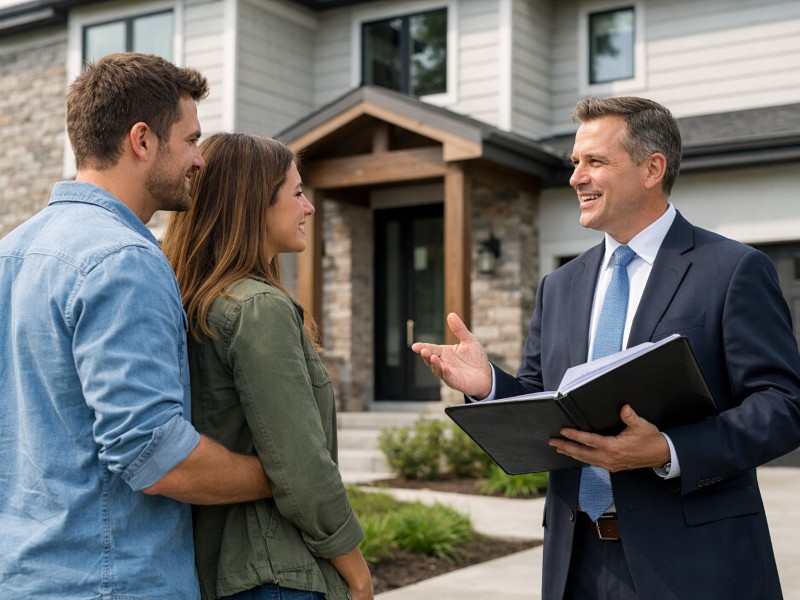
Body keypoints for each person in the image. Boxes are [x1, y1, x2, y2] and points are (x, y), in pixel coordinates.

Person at [412, 96, 800, 600]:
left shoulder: (731, 269)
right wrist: (489, 386)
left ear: (651, 169)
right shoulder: (560, 285)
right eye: (575, 163)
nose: (576, 177)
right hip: (577, 562)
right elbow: (542, 399)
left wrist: (667, 449)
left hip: (694, 564)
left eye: (595, 161)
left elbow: (783, 406)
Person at [0, 53, 272, 598]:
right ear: (142, 140)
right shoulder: (124, 257)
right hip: (111, 579)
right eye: (191, 140)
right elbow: (153, 455)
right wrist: (280, 476)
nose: (201, 160)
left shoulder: (12, 252)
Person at [161, 132, 373, 600]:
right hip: (278, 574)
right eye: (297, 193)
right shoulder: (259, 309)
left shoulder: (193, 303)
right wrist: (357, 574)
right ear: (253, 204)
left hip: (223, 570)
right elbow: (301, 467)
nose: (309, 207)